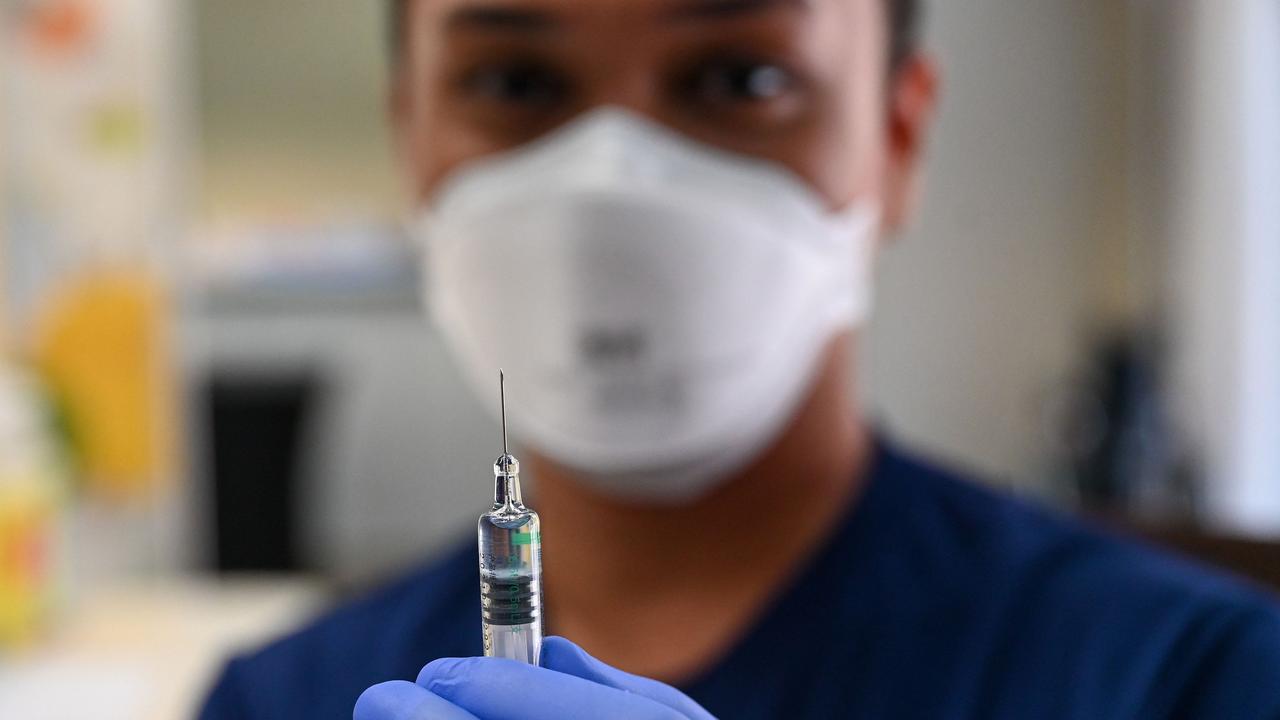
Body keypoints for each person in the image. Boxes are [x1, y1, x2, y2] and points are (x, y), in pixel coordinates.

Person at [199, 1, 1280, 718]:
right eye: (517, 82)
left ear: (896, 139)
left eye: (738, 76)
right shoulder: (286, 699)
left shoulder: (1185, 677)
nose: (608, 182)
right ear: (407, 134)